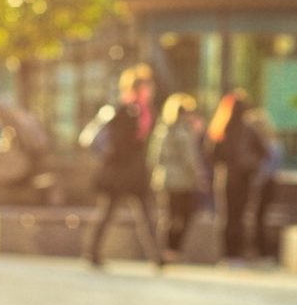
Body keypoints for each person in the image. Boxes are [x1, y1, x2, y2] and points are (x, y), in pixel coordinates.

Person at [84, 64, 163, 268]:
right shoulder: (125, 111)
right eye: (147, 86)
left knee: (146, 214)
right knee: (109, 213)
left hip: (135, 173)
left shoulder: (146, 112)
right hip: (121, 173)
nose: (150, 90)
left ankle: (157, 256)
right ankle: (92, 252)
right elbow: (120, 143)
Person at [149, 92, 207, 263]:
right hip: (182, 181)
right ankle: (172, 250)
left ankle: (165, 250)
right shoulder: (183, 131)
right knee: (183, 215)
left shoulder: (162, 129)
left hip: (164, 179)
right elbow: (190, 158)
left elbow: (154, 157)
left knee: (169, 215)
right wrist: (199, 176)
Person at [210, 90, 266, 264]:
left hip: (228, 177)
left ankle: (228, 253)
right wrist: (250, 164)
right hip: (242, 178)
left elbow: (211, 154)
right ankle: (236, 253)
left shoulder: (221, 127)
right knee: (239, 216)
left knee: (228, 216)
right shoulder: (246, 129)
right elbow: (264, 151)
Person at [246, 108, 283, 261]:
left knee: (260, 217)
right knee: (258, 217)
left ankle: (263, 251)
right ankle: (259, 250)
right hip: (265, 183)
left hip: (265, 184)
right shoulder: (272, 144)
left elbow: (269, 168)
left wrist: (256, 181)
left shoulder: (269, 145)